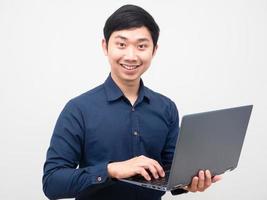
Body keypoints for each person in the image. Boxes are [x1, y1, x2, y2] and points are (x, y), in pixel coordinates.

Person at [42, 4, 221, 200]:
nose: (131, 56)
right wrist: (111, 170)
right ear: (105, 46)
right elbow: (52, 182)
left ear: (154, 50)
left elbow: (171, 174)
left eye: (142, 46)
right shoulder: (78, 109)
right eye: (121, 44)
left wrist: (189, 182)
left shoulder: (166, 108)